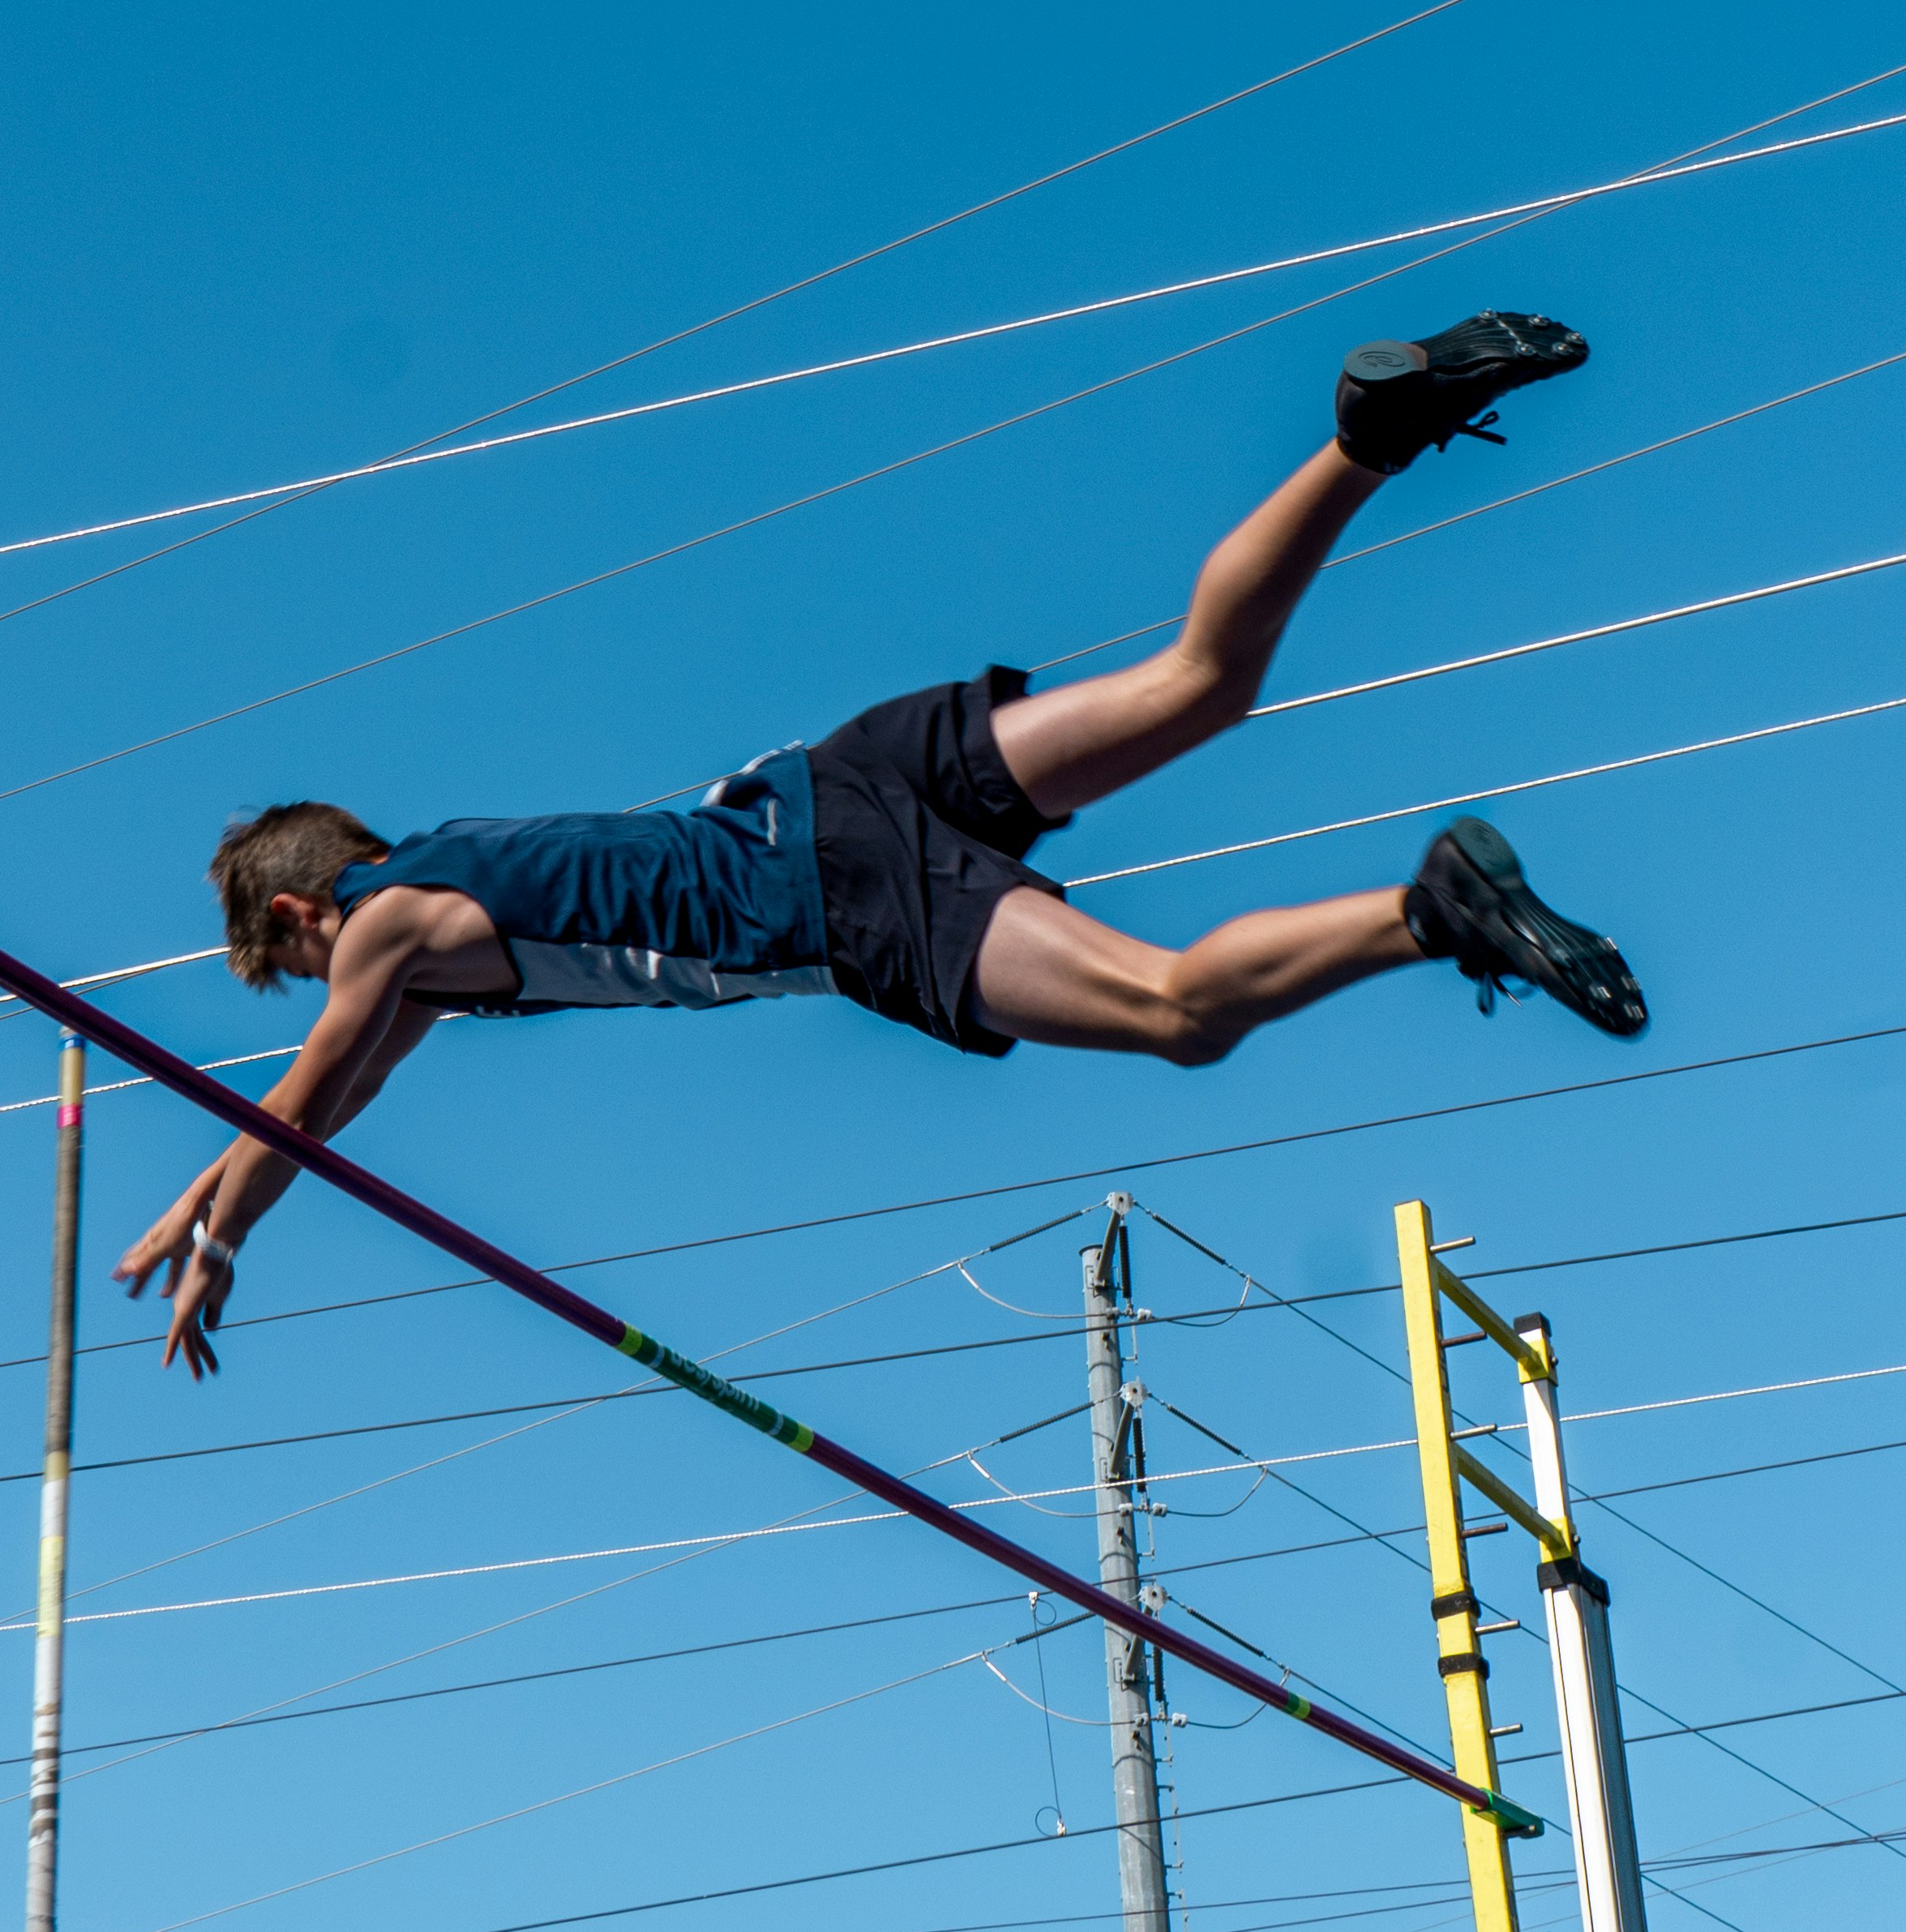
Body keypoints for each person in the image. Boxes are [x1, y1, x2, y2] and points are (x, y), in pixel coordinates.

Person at [117, 311, 1644, 1376]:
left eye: (298, 960)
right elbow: (329, 1100)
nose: (323, 985)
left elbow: (317, 1086)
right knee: (1203, 682)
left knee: (1179, 1015)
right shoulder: (446, 893)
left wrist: (230, 1237)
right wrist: (206, 1198)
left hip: (833, 893)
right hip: (840, 770)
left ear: (315, 911)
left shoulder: (388, 932)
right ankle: (1368, 439)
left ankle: (1433, 911)